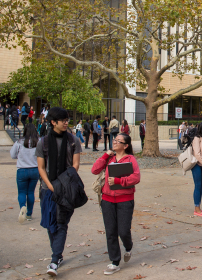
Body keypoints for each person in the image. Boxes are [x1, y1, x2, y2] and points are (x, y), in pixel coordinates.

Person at [36, 107, 82, 277]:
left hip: (67, 189)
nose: (66, 123)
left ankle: (54, 260)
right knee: (50, 224)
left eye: (67, 120)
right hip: (47, 189)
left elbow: (75, 165)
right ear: (53, 122)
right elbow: (41, 167)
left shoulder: (73, 140)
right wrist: (50, 185)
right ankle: (58, 254)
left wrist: (63, 184)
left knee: (61, 223)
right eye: (62, 120)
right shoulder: (43, 142)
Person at [91, 133, 140, 275]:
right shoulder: (109, 158)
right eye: (114, 140)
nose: (115, 142)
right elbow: (94, 170)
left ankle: (128, 245)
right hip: (107, 200)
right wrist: (105, 155)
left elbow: (136, 177)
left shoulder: (130, 159)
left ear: (126, 146)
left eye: (119, 141)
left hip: (125, 200)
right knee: (111, 232)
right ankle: (114, 262)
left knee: (123, 231)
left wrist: (119, 181)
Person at [10, 123, 39, 223]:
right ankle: (29, 214)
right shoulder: (38, 142)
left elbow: (12, 155)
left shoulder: (19, 142)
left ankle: (23, 206)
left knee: (22, 192)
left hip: (22, 170)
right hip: (35, 170)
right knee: (31, 192)